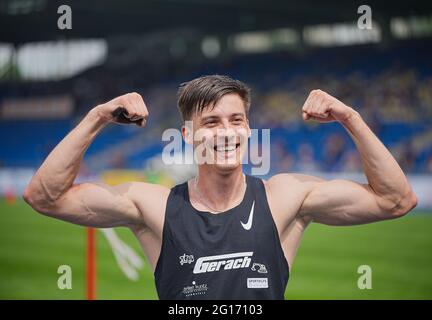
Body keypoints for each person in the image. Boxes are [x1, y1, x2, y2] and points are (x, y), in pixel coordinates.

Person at [23, 75, 417, 300]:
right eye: (211, 123)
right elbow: (44, 197)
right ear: (188, 135)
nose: (226, 132)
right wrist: (97, 117)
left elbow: (396, 200)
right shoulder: (154, 205)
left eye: (236, 120)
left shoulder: (284, 197)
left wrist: (350, 117)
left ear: (248, 128)